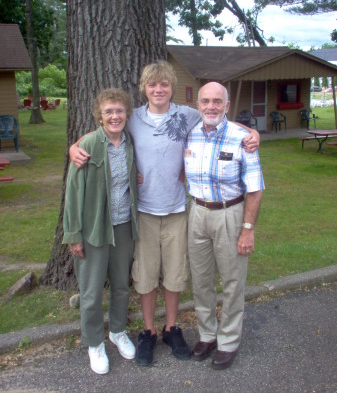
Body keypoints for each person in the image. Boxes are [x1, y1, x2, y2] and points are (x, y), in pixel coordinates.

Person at [69, 61, 260, 367]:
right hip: (142, 213)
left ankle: (171, 328)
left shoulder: (188, 116)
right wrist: (73, 147)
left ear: (172, 87)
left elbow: (220, 119)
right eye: (152, 85)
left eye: (164, 85)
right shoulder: (132, 119)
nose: (158, 90)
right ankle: (148, 331)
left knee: (174, 275)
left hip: (178, 211)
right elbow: (104, 131)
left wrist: (252, 131)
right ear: (144, 89)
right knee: (145, 277)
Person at [184, 82, 264, 370]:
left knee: (232, 281)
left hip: (230, 214)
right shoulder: (190, 134)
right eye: (205, 101)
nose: (211, 106)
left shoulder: (243, 138)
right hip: (197, 213)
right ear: (198, 105)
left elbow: (255, 188)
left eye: (217, 101)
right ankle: (207, 334)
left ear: (227, 106)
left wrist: (247, 228)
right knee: (201, 280)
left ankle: (228, 339)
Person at [63, 88, 139, 375]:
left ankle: (117, 331)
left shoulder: (130, 143)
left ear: (126, 114)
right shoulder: (89, 146)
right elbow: (73, 192)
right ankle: (94, 342)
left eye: (119, 110)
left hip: (123, 227)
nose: (115, 116)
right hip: (94, 230)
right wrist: (73, 235)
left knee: (121, 285)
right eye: (109, 111)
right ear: (100, 115)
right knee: (92, 292)